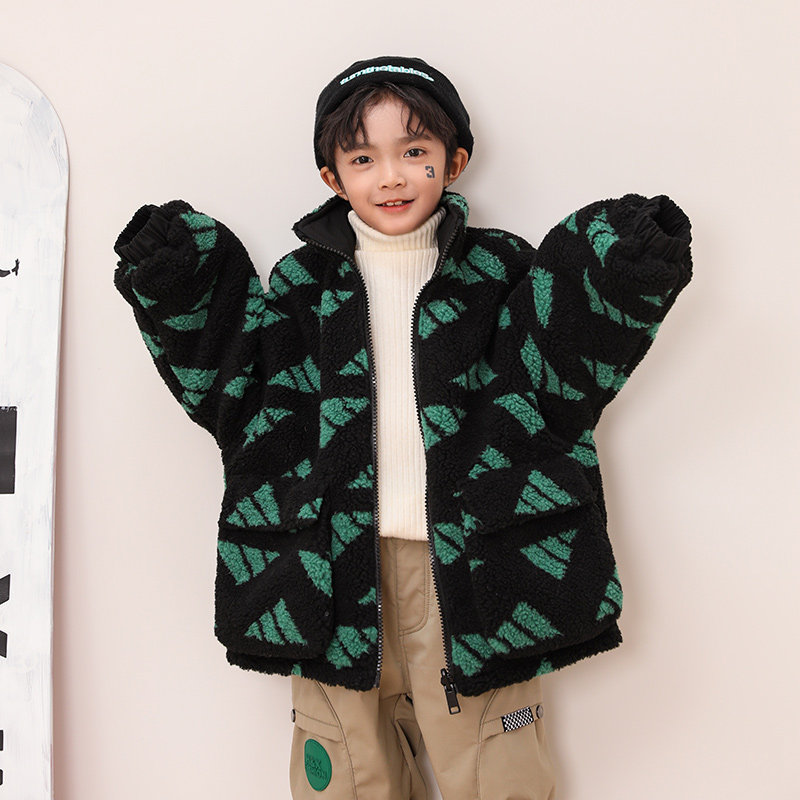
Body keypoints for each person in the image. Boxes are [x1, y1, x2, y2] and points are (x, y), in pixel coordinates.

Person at [113, 55, 693, 799]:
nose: (390, 177)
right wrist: (177, 276)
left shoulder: (500, 271)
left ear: (455, 161)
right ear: (332, 177)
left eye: (414, 151)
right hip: (329, 566)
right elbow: (242, 397)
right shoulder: (303, 285)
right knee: (349, 772)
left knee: (496, 767)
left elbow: (556, 375)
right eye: (363, 159)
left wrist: (623, 263)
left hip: (479, 564)